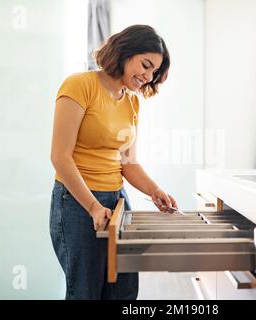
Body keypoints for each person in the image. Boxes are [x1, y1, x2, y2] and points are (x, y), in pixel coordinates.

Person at [49, 25, 176, 300]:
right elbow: (60, 156)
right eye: (145, 65)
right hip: (77, 203)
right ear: (125, 52)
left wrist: (155, 191)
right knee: (86, 292)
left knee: (124, 291)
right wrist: (93, 206)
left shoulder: (132, 103)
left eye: (154, 71)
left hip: (117, 201)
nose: (148, 75)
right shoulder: (79, 85)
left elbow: (128, 163)